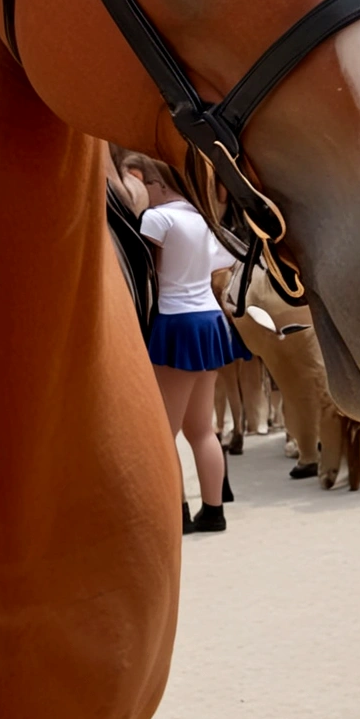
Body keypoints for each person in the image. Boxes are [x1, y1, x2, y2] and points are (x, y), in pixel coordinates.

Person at [137, 161, 241, 534]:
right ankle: (214, 511)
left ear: (155, 183)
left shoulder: (157, 219)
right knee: (203, 429)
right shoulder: (202, 217)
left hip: (175, 321)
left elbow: (142, 268)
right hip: (209, 321)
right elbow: (227, 257)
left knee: (165, 433)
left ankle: (176, 512)